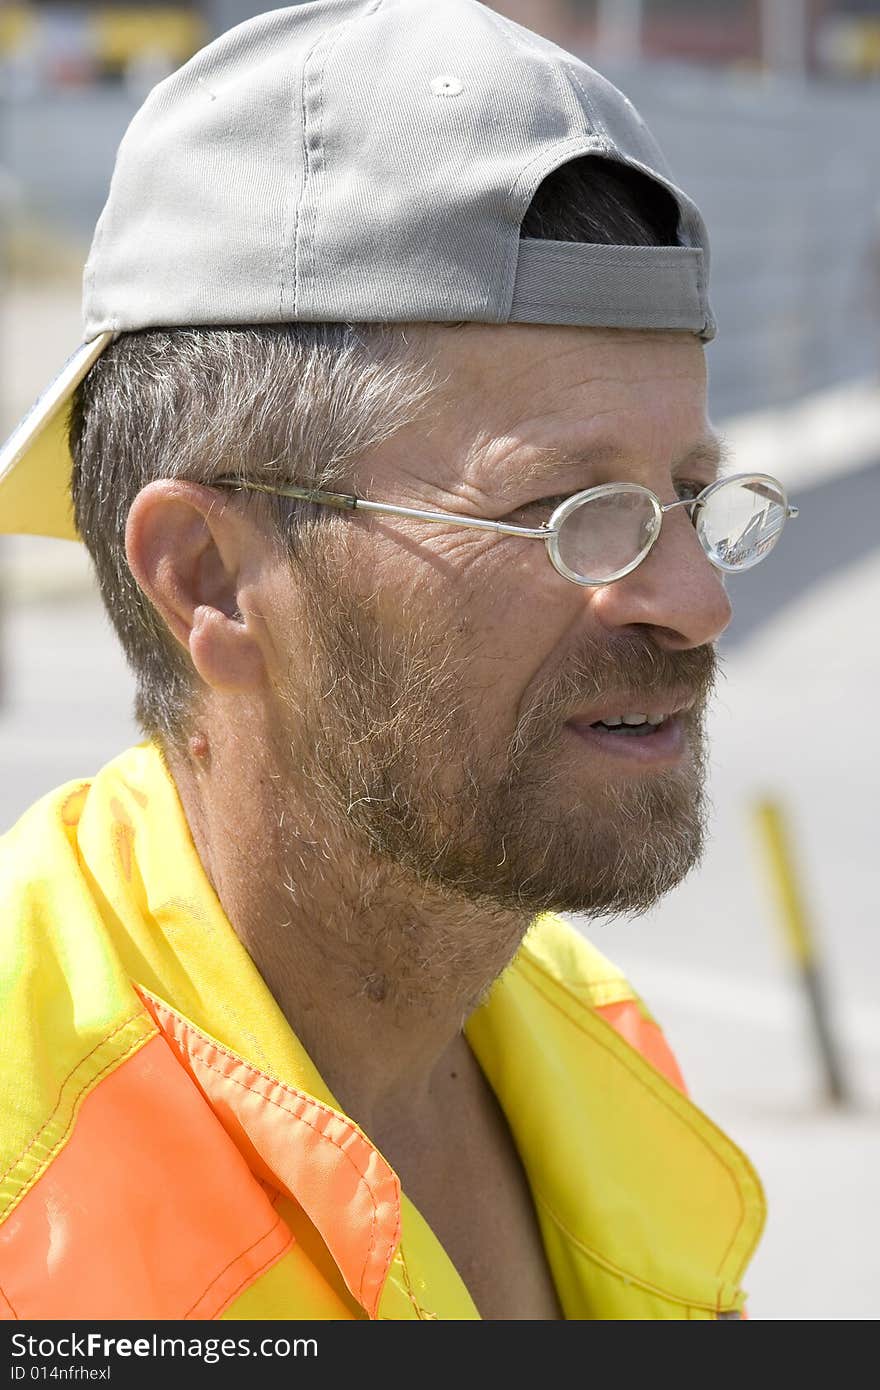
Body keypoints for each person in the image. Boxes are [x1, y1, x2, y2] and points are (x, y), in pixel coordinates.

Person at [0, 0, 797, 1321]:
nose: (695, 599)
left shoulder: (594, 1038)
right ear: (209, 578)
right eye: (567, 510)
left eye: (691, 494)